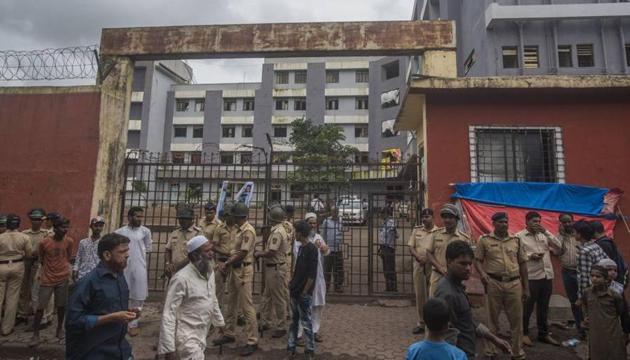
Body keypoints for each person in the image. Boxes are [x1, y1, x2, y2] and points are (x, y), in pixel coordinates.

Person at [435, 240, 512, 359]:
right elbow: (447, 335)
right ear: (449, 262)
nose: (468, 268)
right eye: (463, 263)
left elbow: (468, 320)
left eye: (470, 264)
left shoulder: (457, 286)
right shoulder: (447, 294)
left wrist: (494, 339)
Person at [66, 233, 136, 359]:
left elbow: (110, 308)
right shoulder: (88, 282)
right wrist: (111, 318)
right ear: (107, 255)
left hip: (119, 349)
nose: (127, 255)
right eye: (122, 251)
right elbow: (74, 321)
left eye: (127, 251)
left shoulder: (119, 276)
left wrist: (128, 313)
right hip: (94, 350)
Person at [158, 236, 225, 360]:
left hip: (202, 331)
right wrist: (168, 348)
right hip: (185, 335)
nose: (211, 254)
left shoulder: (208, 272)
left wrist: (219, 321)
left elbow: (212, 297)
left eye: (211, 250)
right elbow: (168, 313)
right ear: (194, 255)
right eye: (207, 251)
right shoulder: (181, 279)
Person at [474, 212, 529, 360]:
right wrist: (482, 275)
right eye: (500, 222)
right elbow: (477, 260)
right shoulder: (484, 240)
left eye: (506, 222)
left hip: (514, 283)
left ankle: (517, 352)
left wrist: (526, 287)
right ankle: (491, 351)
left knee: (517, 320)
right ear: (493, 223)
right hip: (494, 283)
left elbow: (523, 264)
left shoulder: (516, 240)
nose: (504, 224)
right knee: (492, 320)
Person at [213, 202, 259, 357]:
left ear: (239, 216)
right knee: (231, 302)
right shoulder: (239, 230)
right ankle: (229, 332)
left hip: (244, 270)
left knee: (247, 306)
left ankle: (252, 340)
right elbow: (235, 251)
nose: (231, 217)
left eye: (233, 215)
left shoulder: (248, 231)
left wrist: (227, 262)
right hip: (235, 268)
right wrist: (229, 263)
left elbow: (243, 253)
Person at [516, 211, 562, 347]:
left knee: (544, 307)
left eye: (538, 221)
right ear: (527, 222)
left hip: (547, 276)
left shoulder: (544, 234)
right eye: (534, 221)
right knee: (527, 307)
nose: (537, 224)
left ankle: (543, 334)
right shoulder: (519, 236)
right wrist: (530, 256)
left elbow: (559, 246)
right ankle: (523, 334)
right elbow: (516, 254)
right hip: (531, 277)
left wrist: (547, 232)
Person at [30, 217, 74, 346]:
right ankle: (35, 334)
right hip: (47, 278)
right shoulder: (44, 243)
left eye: (66, 227)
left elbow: (68, 256)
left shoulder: (69, 241)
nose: (65, 230)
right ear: (55, 228)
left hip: (63, 278)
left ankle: (59, 328)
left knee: (61, 306)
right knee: (40, 307)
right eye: (62, 227)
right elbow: (42, 259)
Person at [115, 206, 152, 337]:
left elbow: (147, 247)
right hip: (123, 267)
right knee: (123, 292)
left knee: (138, 295)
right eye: (137, 216)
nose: (140, 219)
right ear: (129, 217)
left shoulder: (145, 231)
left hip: (139, 266)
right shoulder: (119, 232)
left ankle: (134, 323)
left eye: (141, 216)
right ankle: (122, 321)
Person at [294, 212, 330, 343]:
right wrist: (313, 248)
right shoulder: (300, 239)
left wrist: (324, 248)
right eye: (310, 223)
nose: (313, 225)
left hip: (318, 276)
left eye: (315, 223)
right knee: (302, 306)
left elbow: (326, 252)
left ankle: (315, 331)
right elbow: (298, 255)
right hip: (305, 277)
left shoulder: (318, 237)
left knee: (318, 305)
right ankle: (298, 334)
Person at [581, 265, 630, 360]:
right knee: (596, 351)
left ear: (605, 279)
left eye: (598, 276)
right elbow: (584, 304)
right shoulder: (587, 293)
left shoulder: (614, 296)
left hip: (612, 330)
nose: (594, 279)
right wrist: (587, 317)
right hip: (595, 330)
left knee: (614, 352)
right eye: (592, 276)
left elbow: (619, 311)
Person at [256, 205, 290, 338]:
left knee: (278, 298)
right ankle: (265, 321)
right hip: (274, 268)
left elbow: (271, 251)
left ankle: (281, 326)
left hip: (275, 268)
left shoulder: (277, 232)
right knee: (267, 296)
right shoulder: (279, 229)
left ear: (272, 219)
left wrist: (259, 254)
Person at [287, 220, 319, 360]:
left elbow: (312, 274)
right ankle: (291, 349)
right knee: (294, 322)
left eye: (296, 232)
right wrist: (292, 283)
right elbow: (297, 269)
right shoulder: (300, 248)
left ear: (300, 233)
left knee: (306, 323)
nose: (294, 234)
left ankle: (309, 351)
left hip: (303, 293)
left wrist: (306, 291)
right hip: (295, 291)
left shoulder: (312, 249)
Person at [426, 204, 469, 296]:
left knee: (453, 305)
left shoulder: (463, 238)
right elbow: (429, 253)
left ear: (457, 219)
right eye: (445, 217)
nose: (447, 220)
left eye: (450, 217)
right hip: (437, 275)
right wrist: (440, 267)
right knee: (435, 304)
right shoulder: (435, 234)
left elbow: (467, 260)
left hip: (456, 277)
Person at [0, 214, 32, 335]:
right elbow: (29, 255)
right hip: (17, 265)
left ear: (7, 224)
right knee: (12, 298)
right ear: (18, 224)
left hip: (1, 265)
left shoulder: (1, 237)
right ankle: (7, 328)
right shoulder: (24, 237)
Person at [407, 208, 438, 334]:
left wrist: (429, 259)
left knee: (433, 295)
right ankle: (421, 322)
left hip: (433, 266)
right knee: (420, 294)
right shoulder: (417, 230)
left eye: (428, 216)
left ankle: (433, 322)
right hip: (419, 265)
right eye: (423, 217)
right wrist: (418, 257)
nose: (425, 219)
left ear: (433, 217)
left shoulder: (439, 232)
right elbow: (411, 246)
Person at [18, 208, 50, 326]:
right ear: (30, 220)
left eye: (38, 219)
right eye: (34, 219)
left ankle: (39, 316)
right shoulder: (24, 234)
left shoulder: (46, 233)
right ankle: (22, 314)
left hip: (38, 264)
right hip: (25, 263)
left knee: (37, 291)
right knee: (23, 289)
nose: (36, 222)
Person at [555, 213, 584, 337]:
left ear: (573, 221)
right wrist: (561, 236)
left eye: (569, 221)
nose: (567, 224)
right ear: (560, 223)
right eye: (564, 222)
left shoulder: (580, 235)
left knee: (586, 300)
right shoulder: (559, 236)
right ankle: (580, 329)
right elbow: (557, 251)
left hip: (582, 272)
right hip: (567, 272)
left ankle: (590, 328)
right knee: (574, 301)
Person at [212, 200, 237, 313]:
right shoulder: (219, 228)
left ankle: (236, 314)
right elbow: (214, 246)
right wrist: (226, 253)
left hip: (236, 262)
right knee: (218, 290)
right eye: (226, 215)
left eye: (229, 214)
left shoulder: (240, 228)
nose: (227, 217)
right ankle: (217, 313)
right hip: (222, 262)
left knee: (235, 290)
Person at [165, 207, 202, 278]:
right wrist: (168, 264)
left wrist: (178, 266)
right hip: (174, 271)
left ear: (191, 219)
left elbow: (197, 254)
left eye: (185, 219)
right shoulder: (175, 232)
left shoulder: (198, 233)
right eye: (180, 219)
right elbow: (168, 249)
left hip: (190, 271)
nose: (182, 221)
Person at [575, 220, 608, 300]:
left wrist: (581, 297)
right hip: (601, 288)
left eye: (575, 232)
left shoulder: (584, 252)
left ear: (579, 234)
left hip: (592, 294)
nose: (573, 234)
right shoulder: (596, 245)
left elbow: (585, 277)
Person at [591, 220, 626, 285]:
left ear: (595, 232)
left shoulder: (603, 244)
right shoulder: (606, 241)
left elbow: (607, 264)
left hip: (614, 278)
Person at [73, 217, 105, 282]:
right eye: (95, 226)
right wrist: (75, 270)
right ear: (90, 226)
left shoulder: (104, 243)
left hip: (97, 276)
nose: (98, 228)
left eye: (100, 226)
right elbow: (78, 257)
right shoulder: (83, 242)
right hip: (83, 275)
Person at [322, 207, 344, 293]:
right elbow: (323, 234)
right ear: (331, 212)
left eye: (336, 211)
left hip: (338, 248)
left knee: (338, 268)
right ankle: (326, 286)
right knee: (327, 268)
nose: (335, 213)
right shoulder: (326, 221)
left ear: (338, 212)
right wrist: (324, 246)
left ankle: (338, 286)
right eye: (333, 211)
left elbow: (341, 232)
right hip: (329, 248)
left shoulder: (341, 221)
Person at [378, 207, 398, 292]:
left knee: (390, 269)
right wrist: (380, 248)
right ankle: (388, 287)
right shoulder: (384, 223)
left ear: (386, 214)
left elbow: (395, 234)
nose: (380, 215)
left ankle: (393, 288)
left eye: (382, 213)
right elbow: (382, 236)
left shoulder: (391, 223)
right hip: (383, 247)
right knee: (386, 269)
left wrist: (394, 231)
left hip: (389, 248)